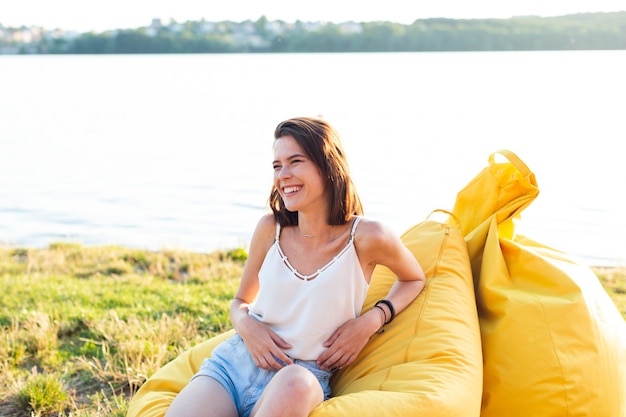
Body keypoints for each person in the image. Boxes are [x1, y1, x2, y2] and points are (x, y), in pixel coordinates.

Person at [165, 117, 426, 417]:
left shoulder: (368, 236)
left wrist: (371, 321)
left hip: (301, 377)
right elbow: (240, 302)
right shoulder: (269, 229)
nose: (283, 175)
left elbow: (414, 278)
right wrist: (248, 328)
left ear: (328, 166)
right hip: (235, 365)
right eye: (277, 166)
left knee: (296, 383)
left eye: (295, 161)